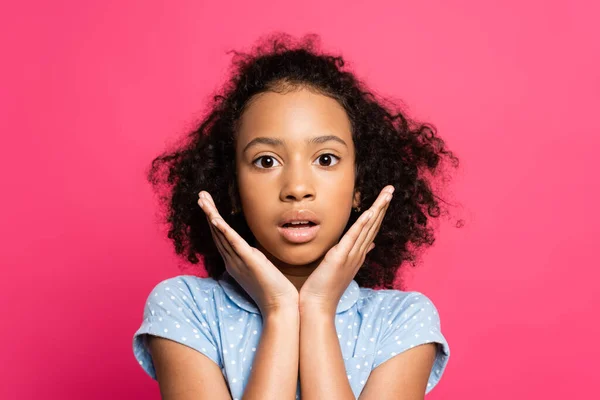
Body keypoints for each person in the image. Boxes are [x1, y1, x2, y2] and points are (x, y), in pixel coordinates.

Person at [132, 33, 460, 399]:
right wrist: (279, 311)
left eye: (325, 159)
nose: (297, 188)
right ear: (233, 190)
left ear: (359, 186)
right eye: (266, 161)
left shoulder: (401, 321)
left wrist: (318, 310)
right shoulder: (185, 307)